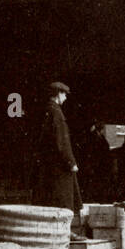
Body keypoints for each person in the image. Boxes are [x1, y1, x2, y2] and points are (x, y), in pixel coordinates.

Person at [34, 81, 82, 216]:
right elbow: (62, 141)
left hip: (48, 165)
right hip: (60, 167)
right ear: (58, 94)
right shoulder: (57, 113)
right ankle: (65, 231)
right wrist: (71, 162)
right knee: (64, 200)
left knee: (50, 200)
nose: (66, 98)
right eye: (64, 94)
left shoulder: (47, 110)